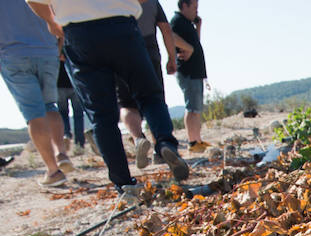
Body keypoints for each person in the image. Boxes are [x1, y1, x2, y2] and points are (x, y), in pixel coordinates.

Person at [27, 0, 190, 198]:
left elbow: (32, 0)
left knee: (102, 116)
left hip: (78, 33)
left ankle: (124, 183)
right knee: (149, 95)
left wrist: (52, 22)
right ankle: (165, 143)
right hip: (121, 26)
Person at [0, 0, 72, 187]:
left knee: (34, 114)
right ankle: (61, 152)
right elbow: (60, 14)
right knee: (50, 105)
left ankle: (53, 171)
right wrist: (58, 46)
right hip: (47, 52)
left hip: (13, 54)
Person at [117, 1, 192, 169]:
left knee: (127, 103)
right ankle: (163, 145)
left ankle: (138, 138)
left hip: (119, 49)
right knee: (153, 99)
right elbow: (165, 29)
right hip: (148, 51)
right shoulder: (151, 2)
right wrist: (172, 58)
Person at [171, 0, 209, 153]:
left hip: (196, 72)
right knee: (192, 107)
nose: (196, 11)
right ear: (184, 6)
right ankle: (193, 142)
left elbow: (196, 44)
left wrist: (198, 27)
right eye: (194, 7)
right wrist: (189, 48)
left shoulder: (187, 24)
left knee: (197, 107)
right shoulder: (177, 21)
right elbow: (170, 36)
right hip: (188, 71)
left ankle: (197, 139)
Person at [57, 54, 85, 154]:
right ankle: (79, 144)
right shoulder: (71, 44)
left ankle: (66, 135)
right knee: (78, 115)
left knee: (63, 113)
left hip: (59, 85)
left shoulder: (54, 47)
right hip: (75, 84)